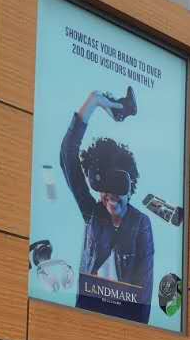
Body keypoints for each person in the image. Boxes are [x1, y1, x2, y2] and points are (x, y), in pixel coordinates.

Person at [60, 89, 155, 323]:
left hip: (122, 327)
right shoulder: (93, 214)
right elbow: (67, 157)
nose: (110, 197)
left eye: (118, 186)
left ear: (131, 187)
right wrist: (94, 101)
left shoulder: (141, 224)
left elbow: (144, 291)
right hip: (86, 319)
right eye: (104, 187)